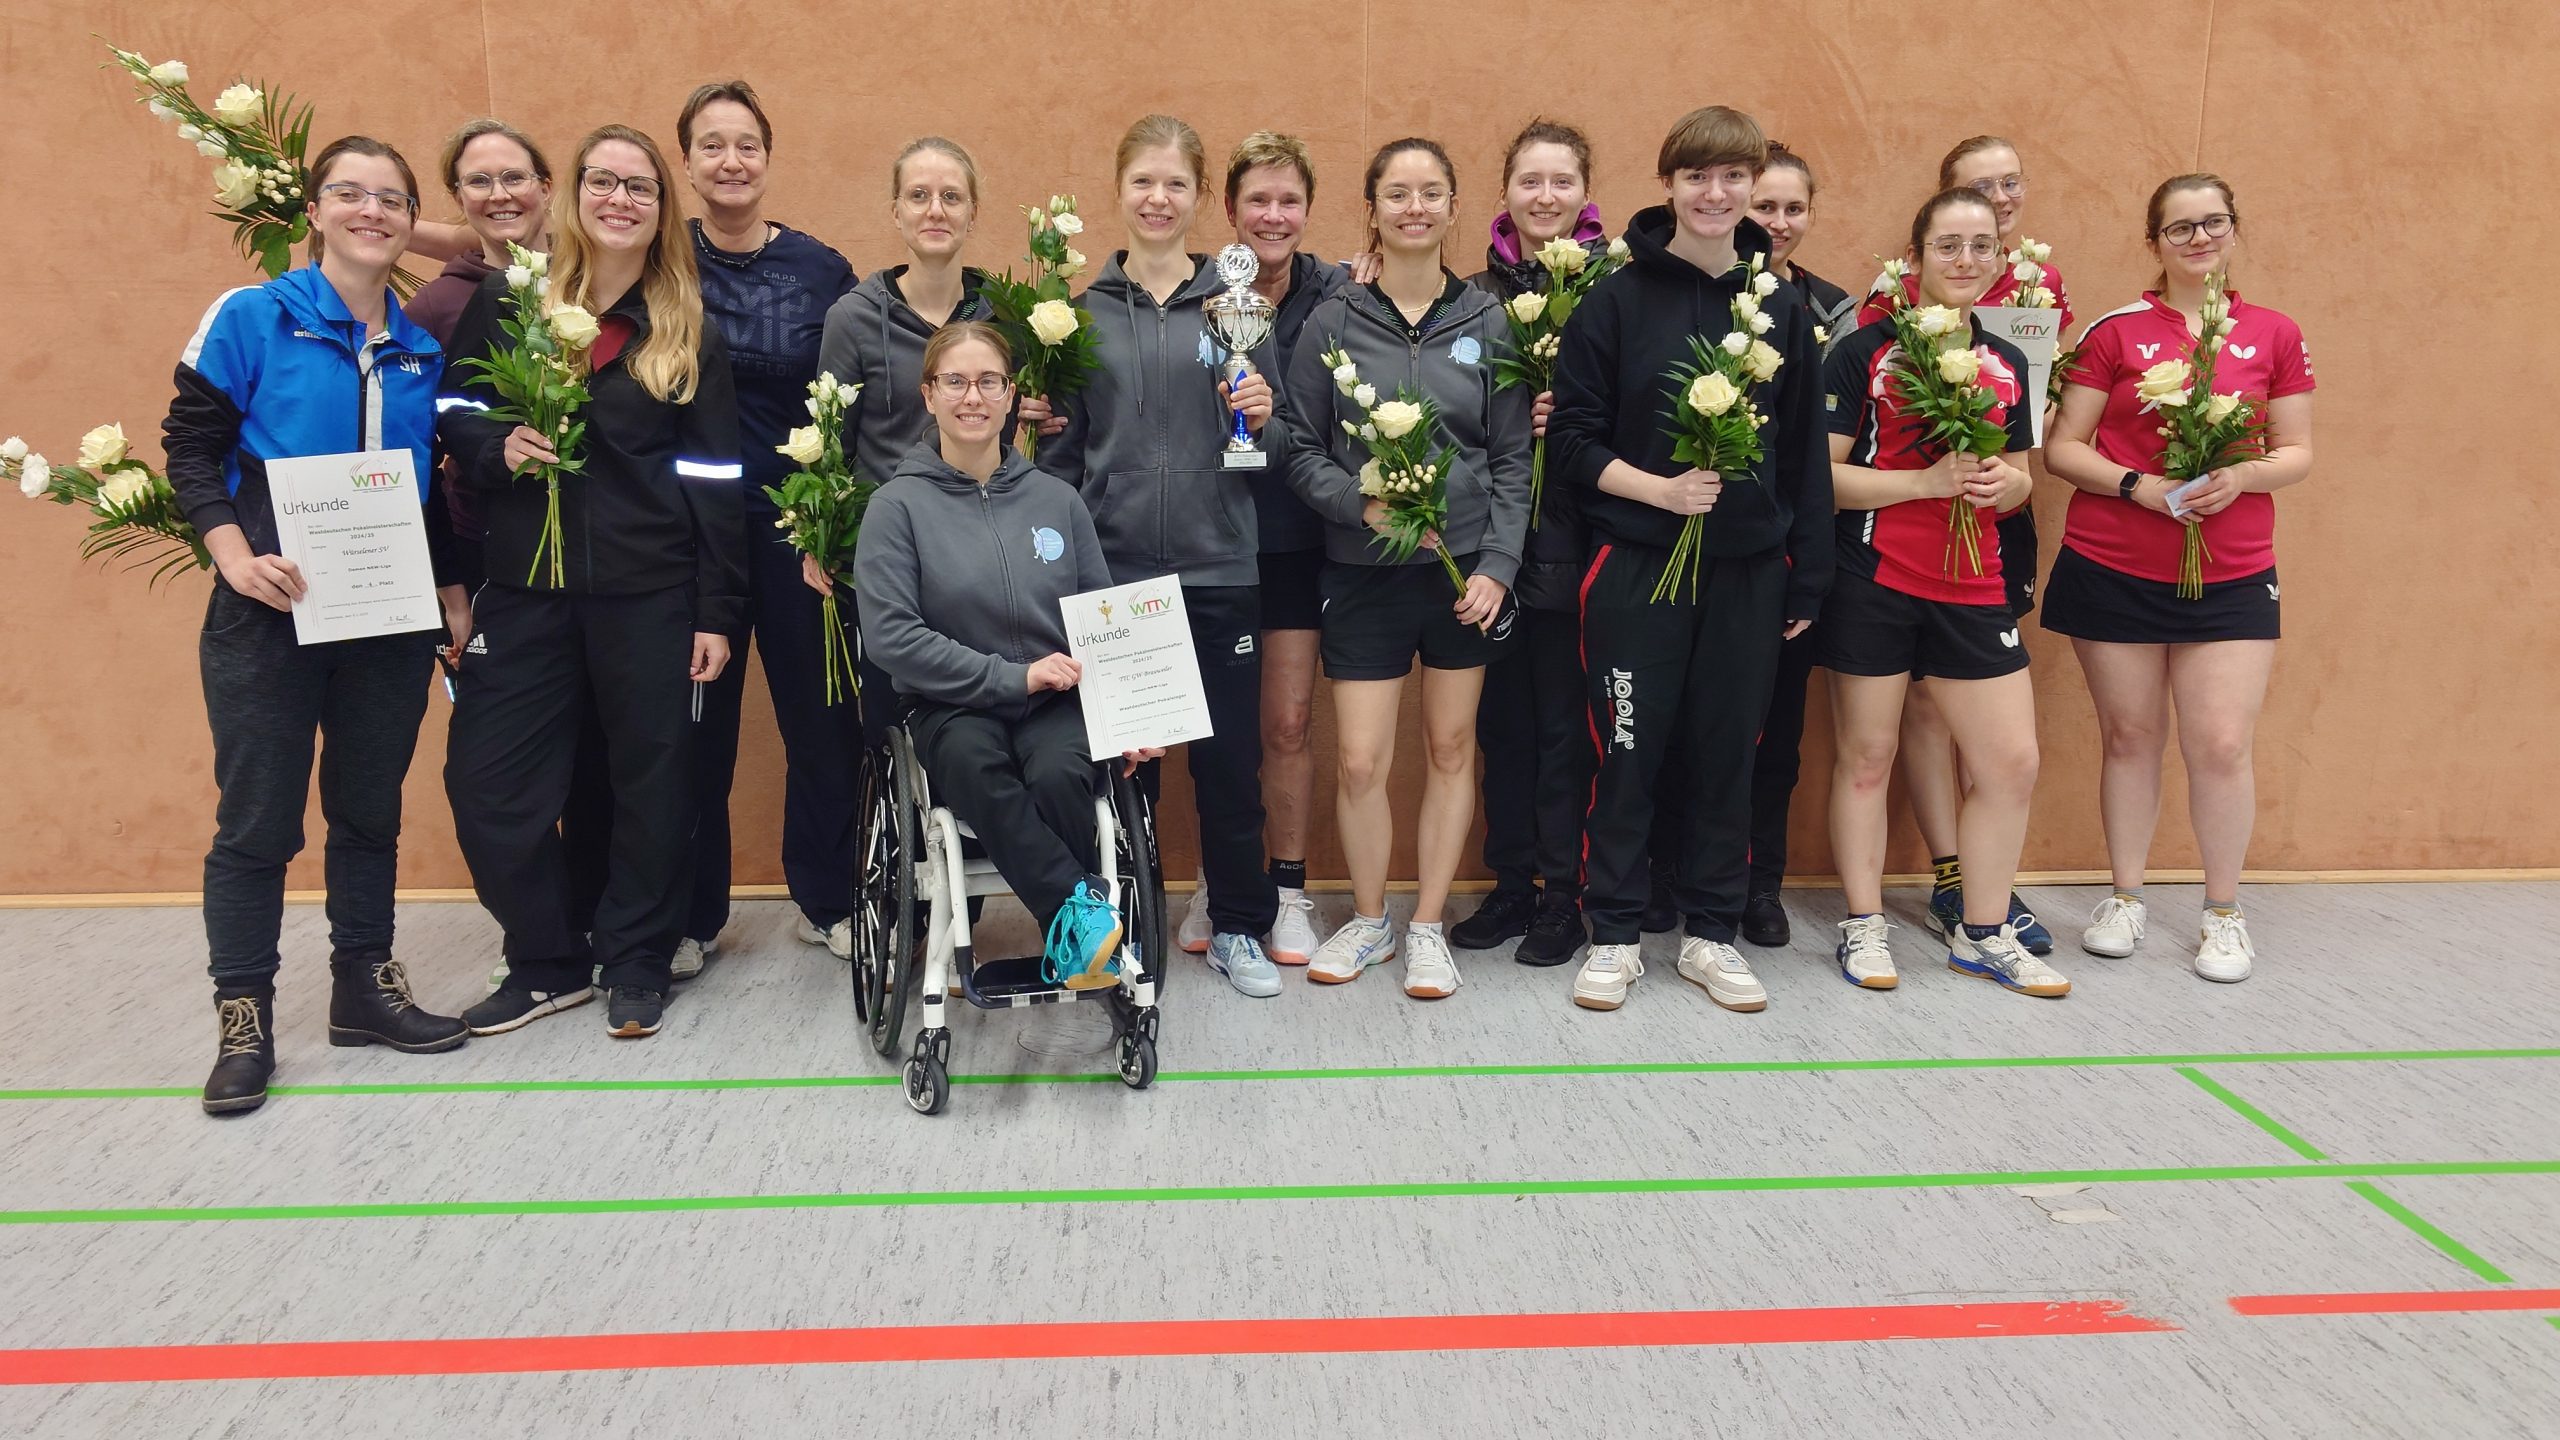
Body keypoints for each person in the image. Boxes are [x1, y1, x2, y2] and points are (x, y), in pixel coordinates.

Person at [163, 135, 468, 1115]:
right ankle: (243, 1016)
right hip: (269, 616)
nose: (370, 211)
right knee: (257, 822)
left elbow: (423, 494)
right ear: (316, 210)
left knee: (369, 811)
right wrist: (232, 558)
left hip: (385, 618)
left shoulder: (420, 351)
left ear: (409, 219)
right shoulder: (253, 316)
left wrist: (450, 592)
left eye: (391, 198)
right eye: (350, 193)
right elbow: (190, 448)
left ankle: (363, 988)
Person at [438, 123, 744, 1041]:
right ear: (571, 196)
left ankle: (638, 956)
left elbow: (716, 480)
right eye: (603, 181)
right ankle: (547, 960)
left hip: (650, 596)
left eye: (640, 187)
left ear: (662, 209)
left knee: (654, 785)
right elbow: (451, 409)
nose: (620, 199)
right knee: (487, 784)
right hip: (526, 590)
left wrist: (717, 610)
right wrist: (495, 446)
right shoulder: (511, 300)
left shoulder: (687, 330)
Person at [1545, 105, 1830, 1014]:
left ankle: (1711, 935)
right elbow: (1572, 441)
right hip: (1637, 564)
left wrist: (1807, 571)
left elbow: (1803, 457)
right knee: (1627, 754)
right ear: (1668, 184)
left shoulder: (1779, 306)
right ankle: (1615, 934)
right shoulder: (1615, 299)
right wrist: (1658, 492)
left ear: (1752, 186)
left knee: (1726, 758)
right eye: (1698, 176)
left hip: (1748, 573)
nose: (1716, 193)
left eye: (1733, 177)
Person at [2040, 173, 2315, 982]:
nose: (2199, 239)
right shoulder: (2116, 332)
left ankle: (2223, 912)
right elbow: (2063, 448)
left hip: (2232, 571)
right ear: (2154, 241)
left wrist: (2245, 476)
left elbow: (2297, 451)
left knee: (2221, 744)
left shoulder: (2273, 332)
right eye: (2180, 227)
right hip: (2113, 564)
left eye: (2213, 222)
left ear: (2234, 229)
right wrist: (2139, 487)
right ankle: (2125, 898)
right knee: (2130, 737)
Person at [1282, 137, 1531, 998]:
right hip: (1363, 572)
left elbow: (1512, 457)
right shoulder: (1333, 321)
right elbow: (1299, 446)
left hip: (1463, 578)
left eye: (1431, 193)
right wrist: (1359, 504)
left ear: (1455, 206)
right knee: (1359, 760)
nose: (1414, 207)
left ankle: (1427, 925)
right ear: (1373, 209)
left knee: (1452, 747)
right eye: (1397, 193)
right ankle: (1369, 919)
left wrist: (1498, 563)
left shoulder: (1488, 321)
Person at [1046, 114, 1282, 998]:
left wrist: (1263, 417)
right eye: (1143, 181)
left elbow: (1275, 442)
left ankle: (1240, 928)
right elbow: (1060, 456)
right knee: (1120, 769)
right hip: (1114, 577)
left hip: (1219, 567)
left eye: (1176, 183)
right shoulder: (1078, 315)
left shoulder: (1237, 305)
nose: (1158, 198)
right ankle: (1120, 930)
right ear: (1119, 190)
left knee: (1229, 767)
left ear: (1199, 196)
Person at [1820, 187, 2065, 997]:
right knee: (1868, 756)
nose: (1965, 260)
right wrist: (1922, 483)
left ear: (2001, 259)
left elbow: (2021, 479)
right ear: (1915, 257)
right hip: (1874, 579)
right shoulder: (1864, 352)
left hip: (1974, 585)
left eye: (1981, 246)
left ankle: (1983, 933)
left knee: (2011, 763)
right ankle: (1864, 925)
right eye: (1948, 245)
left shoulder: (2009, 359)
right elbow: (1821, 478)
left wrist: (2006, 487)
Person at [855, 322, 1152, 986]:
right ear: (929, 395)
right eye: (955, 381)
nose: (973, 397)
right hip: (951, 705)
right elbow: (893, 638)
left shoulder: (1057, 500)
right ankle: (1082, 921)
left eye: (989, 381)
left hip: (1056, 701)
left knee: (1061, 773)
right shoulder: (896, 508)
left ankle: (1074, 937)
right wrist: (1012, 677)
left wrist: (1128, 714)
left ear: (1011, 395)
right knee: (974, 762)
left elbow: (1101, 618)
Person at [401, 120, 606, 997]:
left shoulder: (600, 276)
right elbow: (425, 445)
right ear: (458, 198)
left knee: (603, 762)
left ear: (547, 185)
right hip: (496, 568)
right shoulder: (435, 309)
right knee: (498, 772)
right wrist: (450, 583)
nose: (499, 195)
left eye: (515, 177)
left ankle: (598, 928)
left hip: (608, 569)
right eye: (478, 182)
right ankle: (543, 938)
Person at [673, 81, 860, 978]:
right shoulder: (658, 259)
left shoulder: (821, 269)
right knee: (692, 733)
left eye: (746, 143)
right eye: (711, 144)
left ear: (768, 157)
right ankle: (689, 918)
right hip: (689, 538)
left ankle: (829, 900)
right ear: (686, 162)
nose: (731, 161)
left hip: (799, 534)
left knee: (824, 726)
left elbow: (864, 386)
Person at [1448, 118, 1607, 968]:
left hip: (1585, 546)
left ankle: (1562, 893)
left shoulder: (1616, 288)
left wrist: (1574, 421)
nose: (1546, 197)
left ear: (1585, 193)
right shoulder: (1472, 295)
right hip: (1494, 550)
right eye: (1529, 182)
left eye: (1562, 182)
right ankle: (1510, 883)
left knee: (1566, 734)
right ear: (1505, 192)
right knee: (1501, 730)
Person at [816, 136, 999, 738]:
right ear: (895, 211)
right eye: (918, 196)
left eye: (951, 196)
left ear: (973, 211)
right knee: (892, 732)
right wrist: (821, 539)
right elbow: (831, 445)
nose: (935, 210)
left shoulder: (1006, 316)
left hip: (988, 557)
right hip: (895, 563)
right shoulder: (852, 318)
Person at [1220, 131, 1351, 969]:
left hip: (1300, 539)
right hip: (1212, 536)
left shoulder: (1343, 291)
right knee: (1219, 731)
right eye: (1257, 200)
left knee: (1289, 722)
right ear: (1230, 209)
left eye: (1289, 200)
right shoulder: (1200, 292)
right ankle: (1226, 883)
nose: (1273, 216)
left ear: (1308, 209)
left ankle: (1290, 888)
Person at [1733, 142, 1854, 949]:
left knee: (1775, 736)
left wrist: (1809, 571)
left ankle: (1759, 884)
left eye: (1792, 208)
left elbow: (1819, 457)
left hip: (1788, 554)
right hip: (1696, 545)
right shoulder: (1691, 289)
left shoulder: (1831, 310)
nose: (1778, 223)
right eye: (1764, 206)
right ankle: (1678, 872)